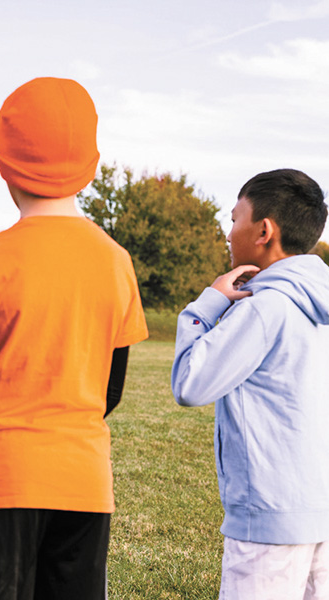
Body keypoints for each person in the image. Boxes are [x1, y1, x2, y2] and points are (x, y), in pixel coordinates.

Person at [0, 78, 149, 600]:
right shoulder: (116, 261)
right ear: (90, 164)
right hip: (83, 482)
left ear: (4, 163)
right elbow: (109, 391)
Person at [172, 169, 329, 599]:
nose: (228, 232)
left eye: (234, 217)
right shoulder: (320, 305)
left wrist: (209, 303)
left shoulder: (265, 307)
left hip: (269, 522)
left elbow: (190, 383)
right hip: (321, 514)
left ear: (264, 230)